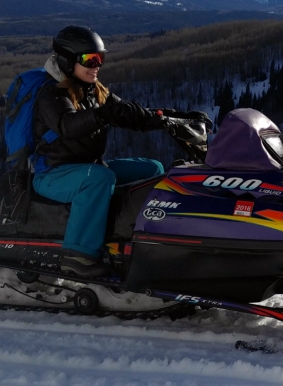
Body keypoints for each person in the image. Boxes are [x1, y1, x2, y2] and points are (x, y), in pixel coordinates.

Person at [32, 25, 207, 277]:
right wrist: (103, 114)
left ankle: (136, 235)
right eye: (90, 59)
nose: (96, 65)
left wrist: (171, 118)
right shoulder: (51, 94)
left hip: (87, 167)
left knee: (152, 169)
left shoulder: (93, 90)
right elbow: (67, 126)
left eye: (100, 59)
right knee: (101, 179)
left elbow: (129, 113)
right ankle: (77, 256)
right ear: (68, 61)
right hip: (52, 173)